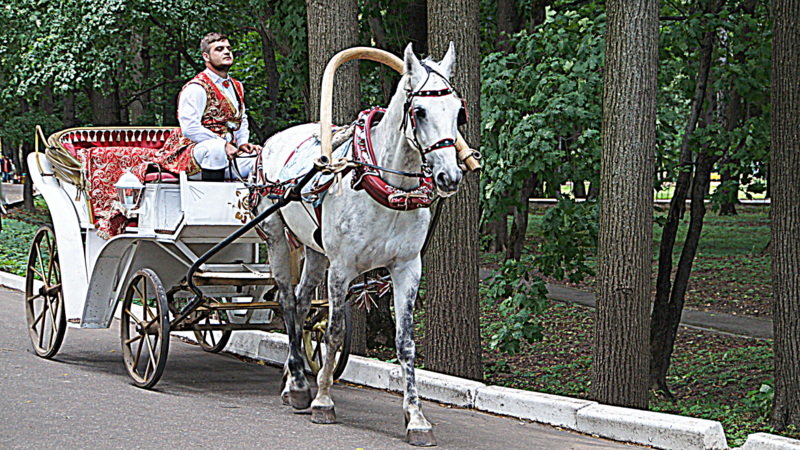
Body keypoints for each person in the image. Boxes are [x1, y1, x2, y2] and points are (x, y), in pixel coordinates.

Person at [151, 32, 261, 180]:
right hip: (194, 151)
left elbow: (241, 119)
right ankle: (213, 198)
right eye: (219, 49)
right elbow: (190, 128)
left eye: (228, 48)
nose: (227, 52)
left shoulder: (237, 86)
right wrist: (222, 144)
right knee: (215, 149)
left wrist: (242, 143)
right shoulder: (196, 88)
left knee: (264, 158)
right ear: (206, 57)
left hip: (228, 150)